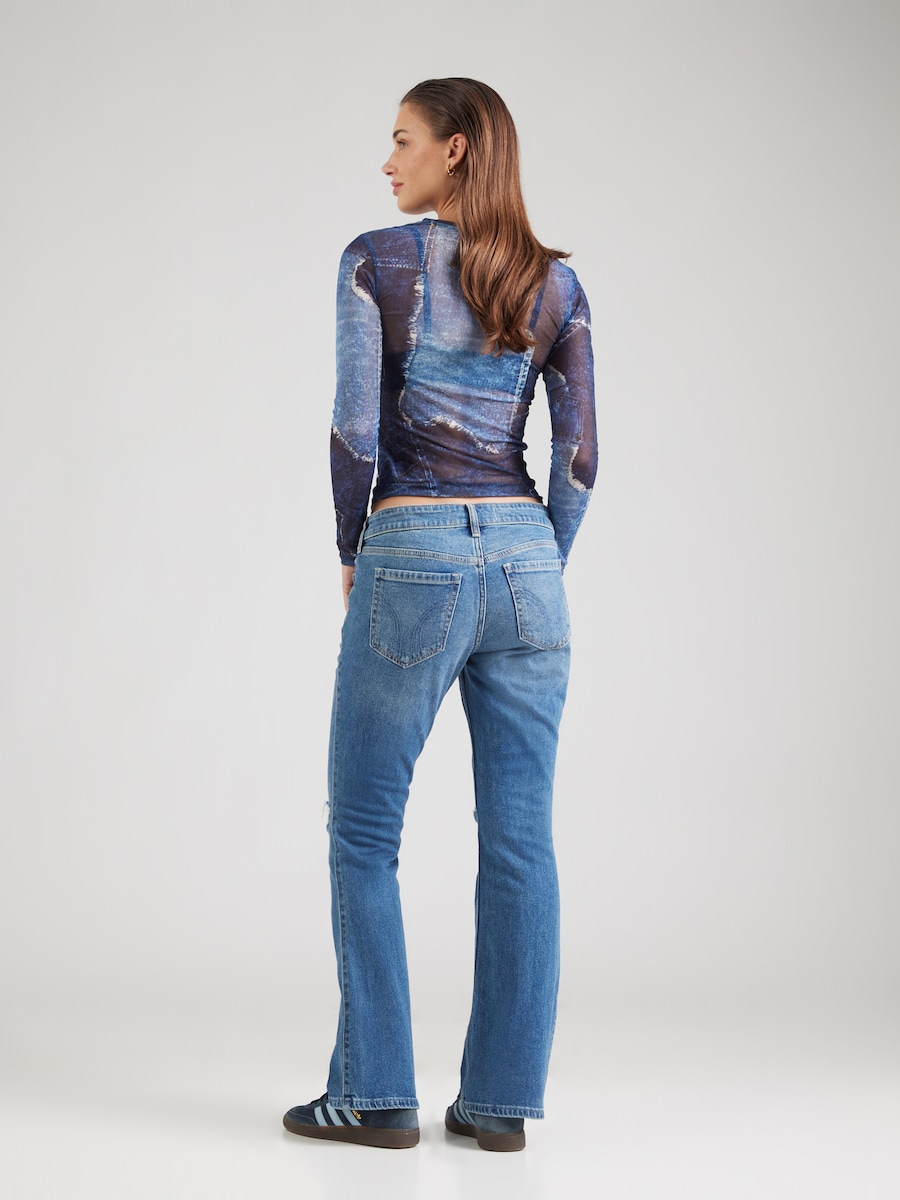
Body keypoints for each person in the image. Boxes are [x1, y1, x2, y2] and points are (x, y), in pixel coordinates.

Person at [283, 77, 597, 1152]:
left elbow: (354, 432)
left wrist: (352, 548)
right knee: (521, 839)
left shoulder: (375, 262)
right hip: (528, 565)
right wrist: (535, 564)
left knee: (365, 833)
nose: (388, 161)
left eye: (403, 139)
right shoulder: (558, 285)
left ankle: (374, 1094)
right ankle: (499, 1105)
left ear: (455, 150)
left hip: (412, 549)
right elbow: (581, 455)